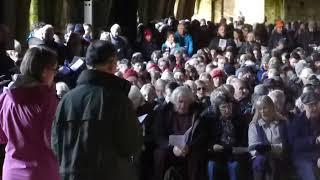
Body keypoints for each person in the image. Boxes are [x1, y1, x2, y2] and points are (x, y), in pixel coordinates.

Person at [52, 40, 142, 180]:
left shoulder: (67, 99)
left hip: (71, 174)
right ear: (112, 64)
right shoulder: (118, 100)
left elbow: (56, 143)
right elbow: (130, 144)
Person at [0, 46, 60, 180]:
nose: (55, 74)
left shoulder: (5, 97)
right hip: (41, 172)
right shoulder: (47, 100)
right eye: (54, 70)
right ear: (44, 71)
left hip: (11, 171)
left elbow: (2, 137)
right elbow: (52, 141)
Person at [153, 86, 207, 180]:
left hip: (190, 147)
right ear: (174, 101)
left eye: (186, 102)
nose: (183, 105)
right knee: (159, 154)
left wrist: (189, 146)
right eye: (180, 102)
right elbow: (159, 135)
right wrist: (172, 147)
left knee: (195, 156)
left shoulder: (198, 112)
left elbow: (202, 134)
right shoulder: (164, 112)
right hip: (170, 147)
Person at [248, 96, 289, 180]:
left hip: (280, 156)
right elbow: (253, 147)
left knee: (273, 163)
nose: (262, 112)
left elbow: (287, 144)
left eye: (265, 108)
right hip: (261, 158)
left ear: (272, 107)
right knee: (263, 161)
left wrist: (271, 148)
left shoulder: (283, 123)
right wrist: (266, 151)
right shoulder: (254, 126)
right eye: (259, 109)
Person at [288, 91, 320, 180]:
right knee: (310, 173)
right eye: (310, 105)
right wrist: (315, 140)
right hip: (303, 156)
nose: (314, 108)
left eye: (316, 104)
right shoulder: (297, 121)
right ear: (304, 106)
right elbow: (294, 144)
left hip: (318, 154)